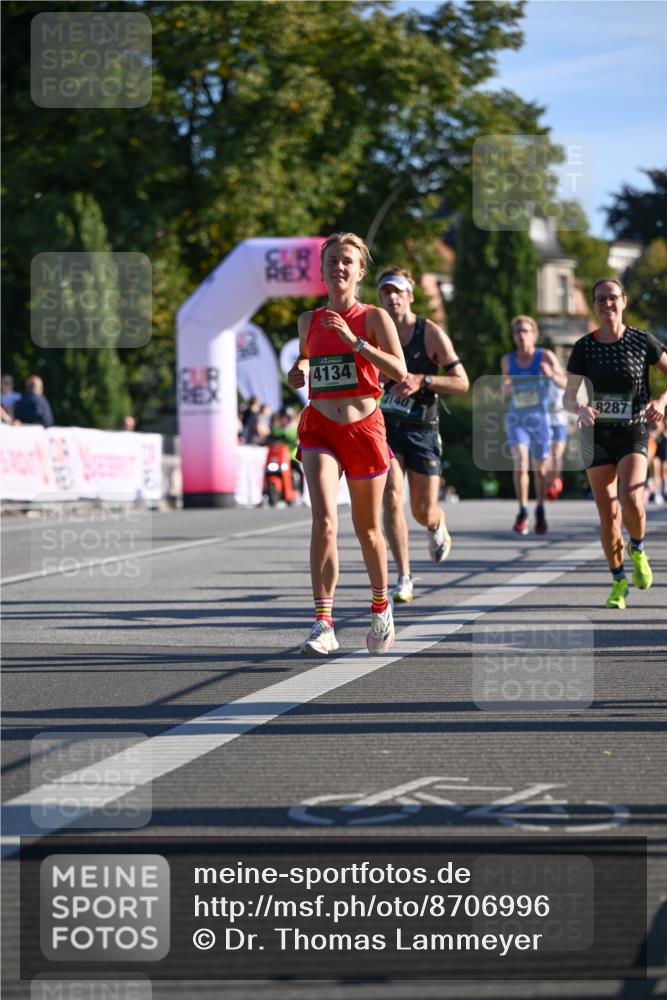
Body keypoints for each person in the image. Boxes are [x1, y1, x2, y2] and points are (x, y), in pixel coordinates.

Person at [288, 232, 406, 656]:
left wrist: (357, 344)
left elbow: (399, 370)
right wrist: (296, 370)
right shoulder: (309, 320)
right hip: (319, 425)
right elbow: (307, 358)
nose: (339, 266)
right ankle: (323, 622)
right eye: (332, 259)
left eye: (347, 261)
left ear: (359, 272)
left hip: (364, 428)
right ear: (321, 270)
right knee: (323, 520)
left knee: (368, 529)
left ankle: (380, 605)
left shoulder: (374, 317)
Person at [563, 277, 667, 609]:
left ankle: (637, 548)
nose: (607, 305)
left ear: (624, 301)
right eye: (600, 300)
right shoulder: (583, 347)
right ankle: (618, 580)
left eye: (612, 298)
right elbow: (568, 397)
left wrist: (662, 403)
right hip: (596, 436)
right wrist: (580, 408)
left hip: (634, 429)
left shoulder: (642, 341)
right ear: (594, 305)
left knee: (631, 498)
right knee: (608, 516)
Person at [376, 267, 469, 603]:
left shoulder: (429, 333)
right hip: (387, 428)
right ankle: (403, 575)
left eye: (398, 291)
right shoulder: (375, 332)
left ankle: (436, 523)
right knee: (390, 495)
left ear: (410, 296)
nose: (392, 297)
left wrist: (422, 380)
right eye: (386, 292)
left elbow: (462, 381)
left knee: (422, 510)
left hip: (422, 428)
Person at [501, 316, 566, 535]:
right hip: (517, 418)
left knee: (540, 469)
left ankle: (539, 508)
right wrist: (505, 389)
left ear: (534, 335)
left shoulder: (545, 356)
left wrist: (553, 375)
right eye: (518, 332)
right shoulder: (507, 360)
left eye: (526, 331)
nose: (521, 335)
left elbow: (565, 383)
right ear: (514, 337)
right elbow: (505, 386)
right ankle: (522, 510)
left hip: (540, 419)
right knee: (520, 463)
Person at [546, 381, 568, 500]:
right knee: (547, 455)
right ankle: (548, 483)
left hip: (560, 422)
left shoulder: (561, 378)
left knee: (557, 454)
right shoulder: (540, 377)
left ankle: (555, 479)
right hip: (545, 423)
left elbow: (571, 395)